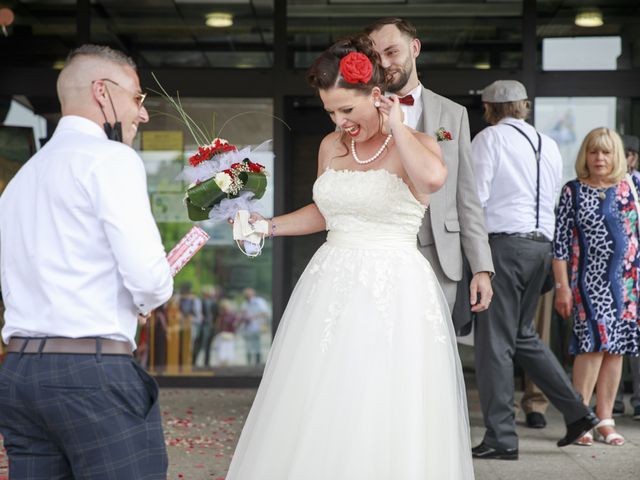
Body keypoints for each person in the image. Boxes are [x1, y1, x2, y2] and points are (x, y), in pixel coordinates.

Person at [226, 34, 474, 479]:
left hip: (394, 288)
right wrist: (266, 225)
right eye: (330, 112)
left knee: (381, 398)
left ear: (377, 96)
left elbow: (434, 180)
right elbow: (325, 211)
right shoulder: (331, 147)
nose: (340, 121)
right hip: (330, 285)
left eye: (347, 110)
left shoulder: (415, 144)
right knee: (324, 397)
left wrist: (396, 124)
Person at [0, 44, 173, 478]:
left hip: (19, 372)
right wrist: (151, 292)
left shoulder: (22, 178)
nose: (143, 113)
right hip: (91, 373)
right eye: (137, 98)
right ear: (102, 92)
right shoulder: (111, 160)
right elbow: (149, 281)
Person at [471, 80, 598, 460]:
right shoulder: (550, 143)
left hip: (504, 247)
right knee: (523, 335)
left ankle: (501, 438)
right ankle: (578, 413)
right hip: (541, 247)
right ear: (523, 107)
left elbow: (475, 198)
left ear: (490, 109)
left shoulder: (490, 139)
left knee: (494, 344)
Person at [365, 17, 494, 327]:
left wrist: (481, 268)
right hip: (379, 251)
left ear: (415, 48)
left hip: (441, 258)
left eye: (392, 52)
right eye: (376, 56)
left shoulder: (454, 114)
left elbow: (467, 196)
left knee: (432, 353)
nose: (384, 63)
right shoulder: (361, 112)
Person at [553, 127, 640, 446]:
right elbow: (560, 244)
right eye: (593, 151)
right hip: (588, 284)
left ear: (616, 156)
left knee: (615, 349)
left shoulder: (633, 186)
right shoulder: (572, 191)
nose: (599, 158)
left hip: (629, 285)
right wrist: (561, 287)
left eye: (605, 152)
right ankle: (581, 418)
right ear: (584, 156)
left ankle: (605, 419)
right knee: (591, 346)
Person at [238, 288, 270, 365]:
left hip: (256, 327)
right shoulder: (244, 304)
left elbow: (265, 313)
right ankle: (249, 363)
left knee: (256, 346)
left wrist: (252, 317)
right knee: (248, 346)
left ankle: (257, 363)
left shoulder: (259, 302)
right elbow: (242, 314)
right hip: (247, 328)